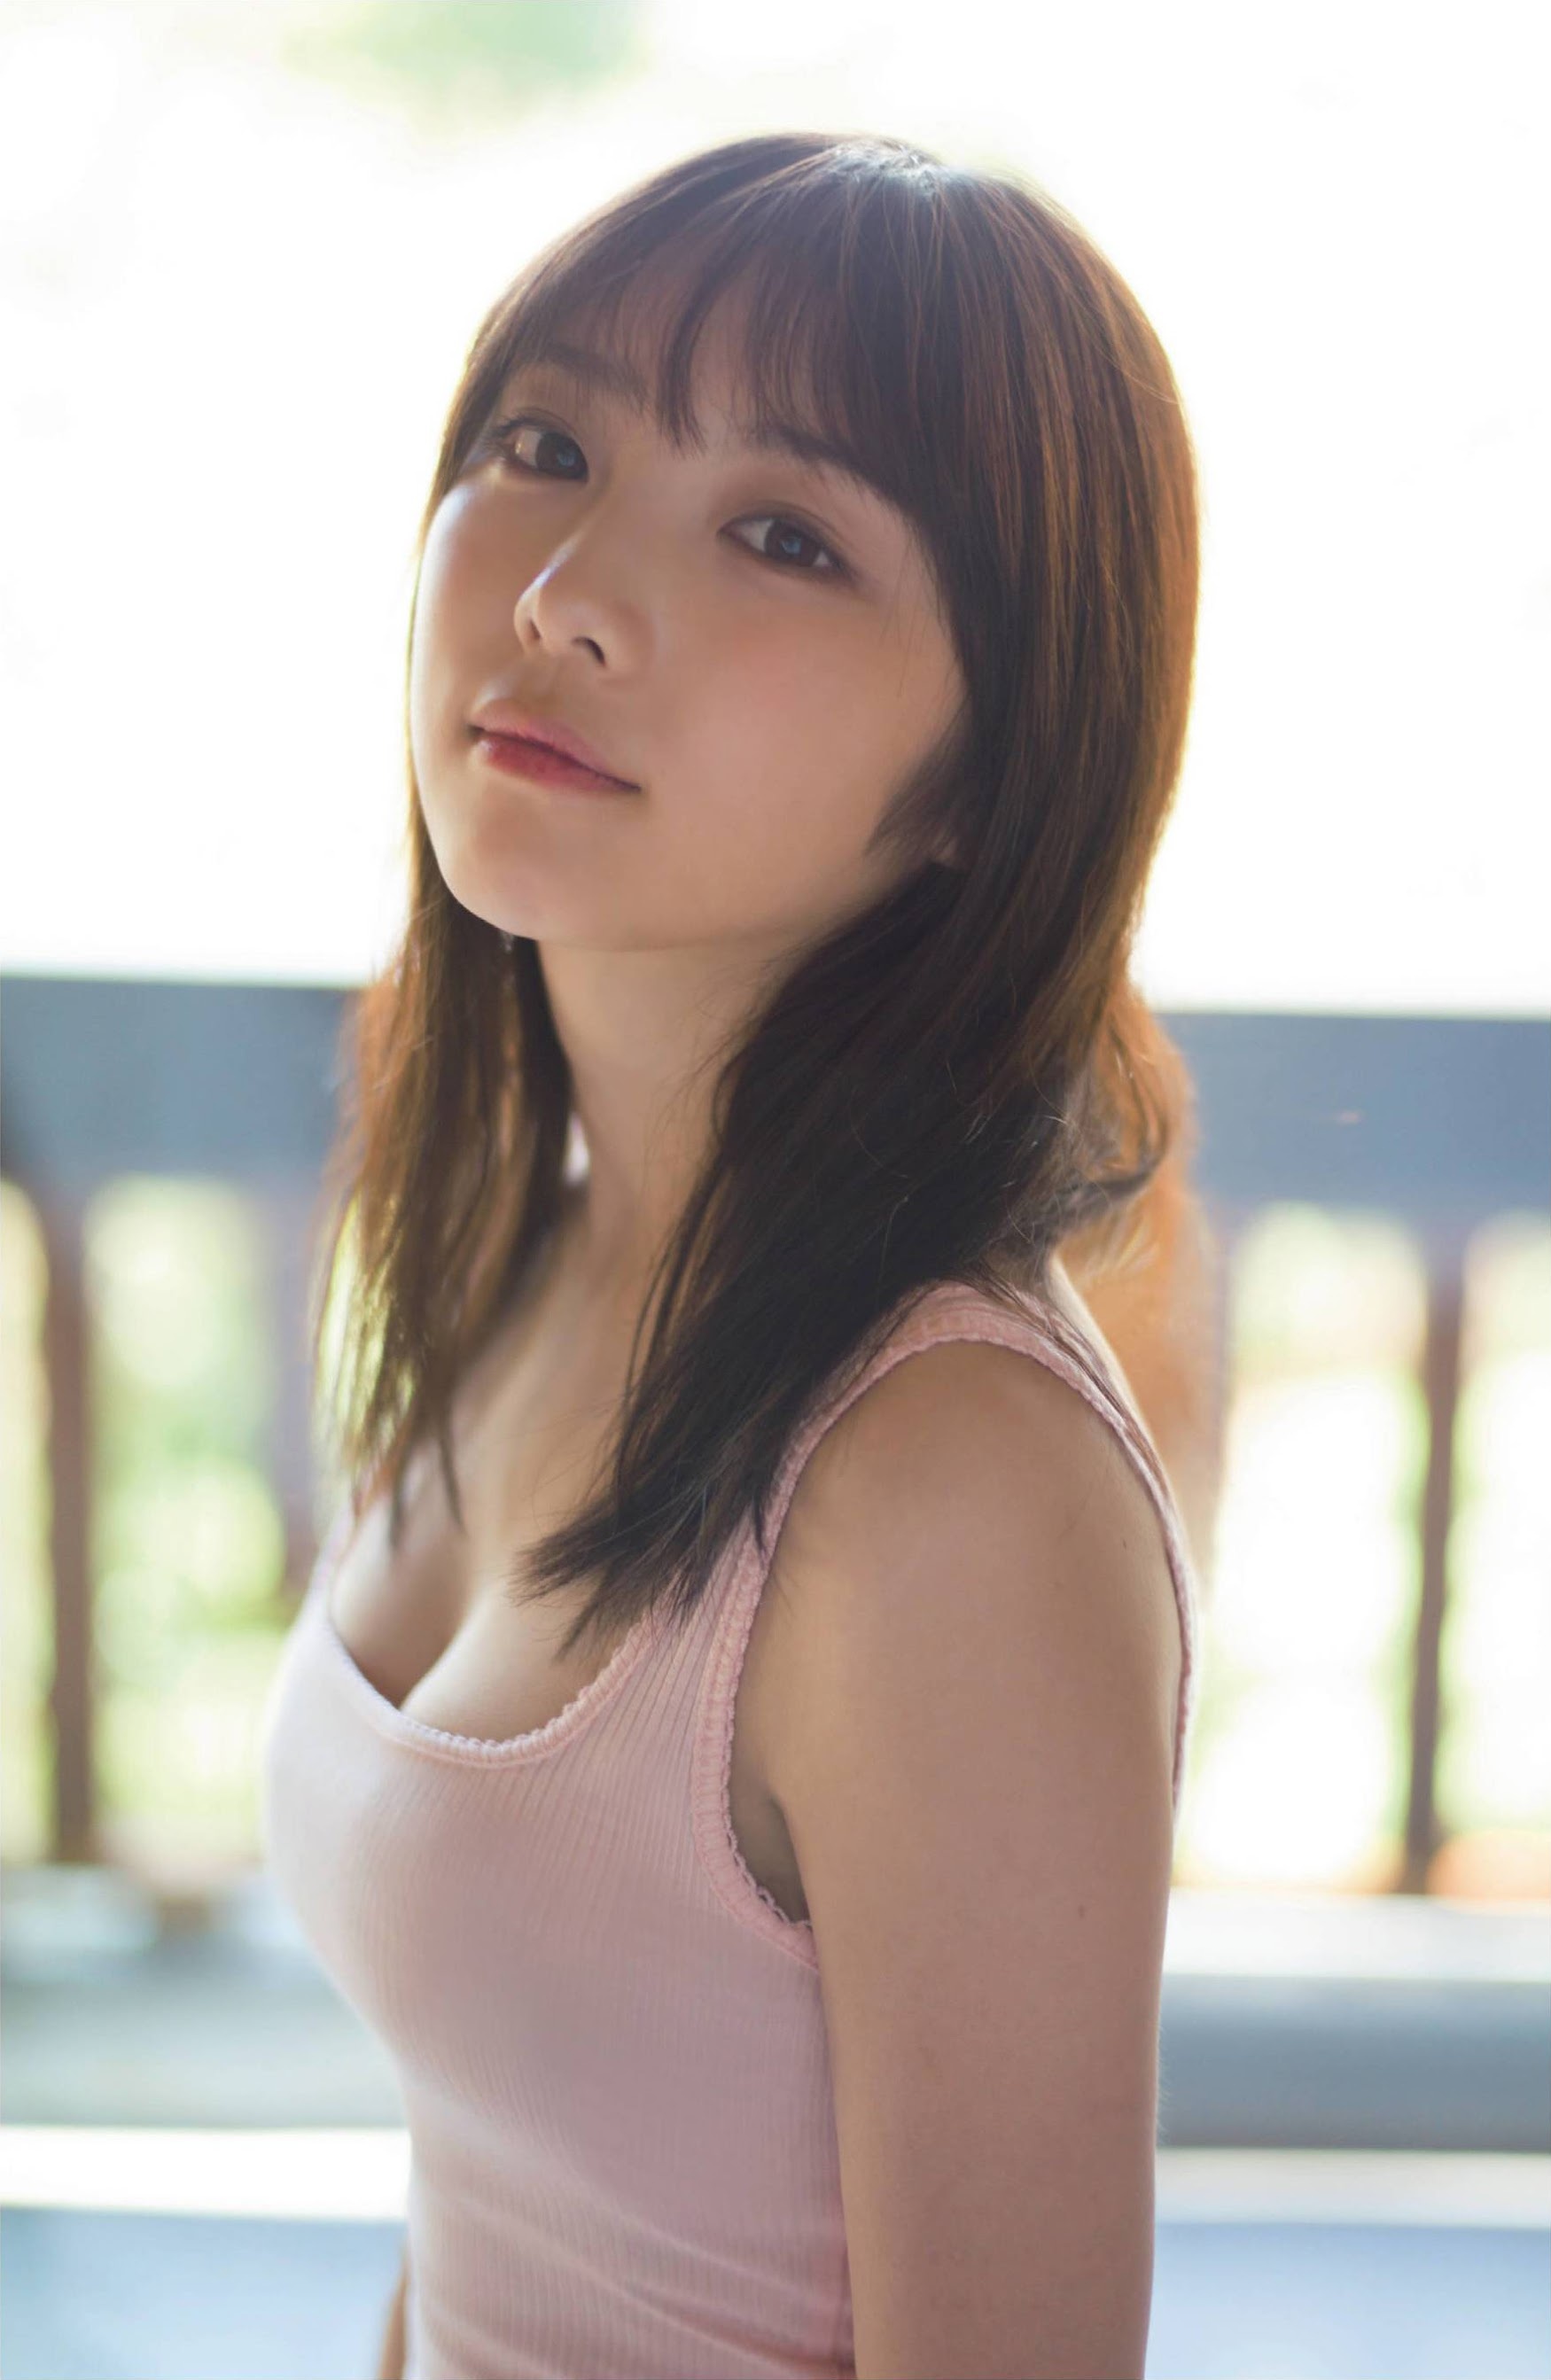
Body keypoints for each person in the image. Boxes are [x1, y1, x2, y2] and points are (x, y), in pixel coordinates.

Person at [260, 129, 1222, 2380]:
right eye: (544, 443)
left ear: (991, 766)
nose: (567, 591)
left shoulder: (941, 1484)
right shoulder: (531, 1233)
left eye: (783, 533)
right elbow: (488, 2195)